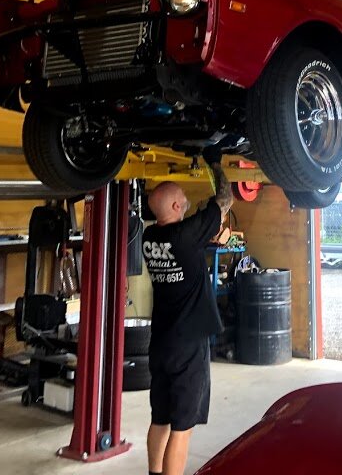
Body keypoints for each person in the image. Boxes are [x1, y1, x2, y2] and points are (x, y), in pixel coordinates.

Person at [142, 156, 233, 475]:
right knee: (182, 427)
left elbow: (188, 229)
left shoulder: (150, 239)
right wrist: (216, 164)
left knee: (160, 419)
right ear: (176, 207)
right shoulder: (185, 235)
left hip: (161, 344)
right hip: (188, 345)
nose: (187, 199)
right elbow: (226, 199)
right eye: (183, 196)